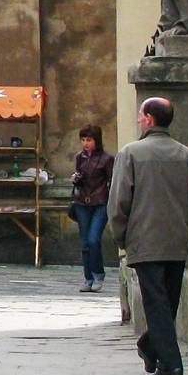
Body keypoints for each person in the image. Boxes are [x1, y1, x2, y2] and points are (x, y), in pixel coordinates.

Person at [109, 97, 188, 375]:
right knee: (167, 302)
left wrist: (120, 236)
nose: (138, 119)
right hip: (176, 242)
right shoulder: (185, 155)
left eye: (140, 114)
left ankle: (166, 360)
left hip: (144, 241)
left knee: (158, 304)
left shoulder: (131, 154)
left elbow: (118, 202)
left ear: (149, 118)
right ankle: (157, 352)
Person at [72, 124, 115, 293]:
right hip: (82, 201)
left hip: (100, 202)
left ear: (96, 140)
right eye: (83, 140)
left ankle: (98, 274)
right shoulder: (79, 157)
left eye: (89, 140)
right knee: (84, 242)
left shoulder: (107, 158)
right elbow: (80, 178)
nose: (85, 143)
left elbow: (111, 180)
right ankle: (88, 278)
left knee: (93, 239)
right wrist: (76, 179)